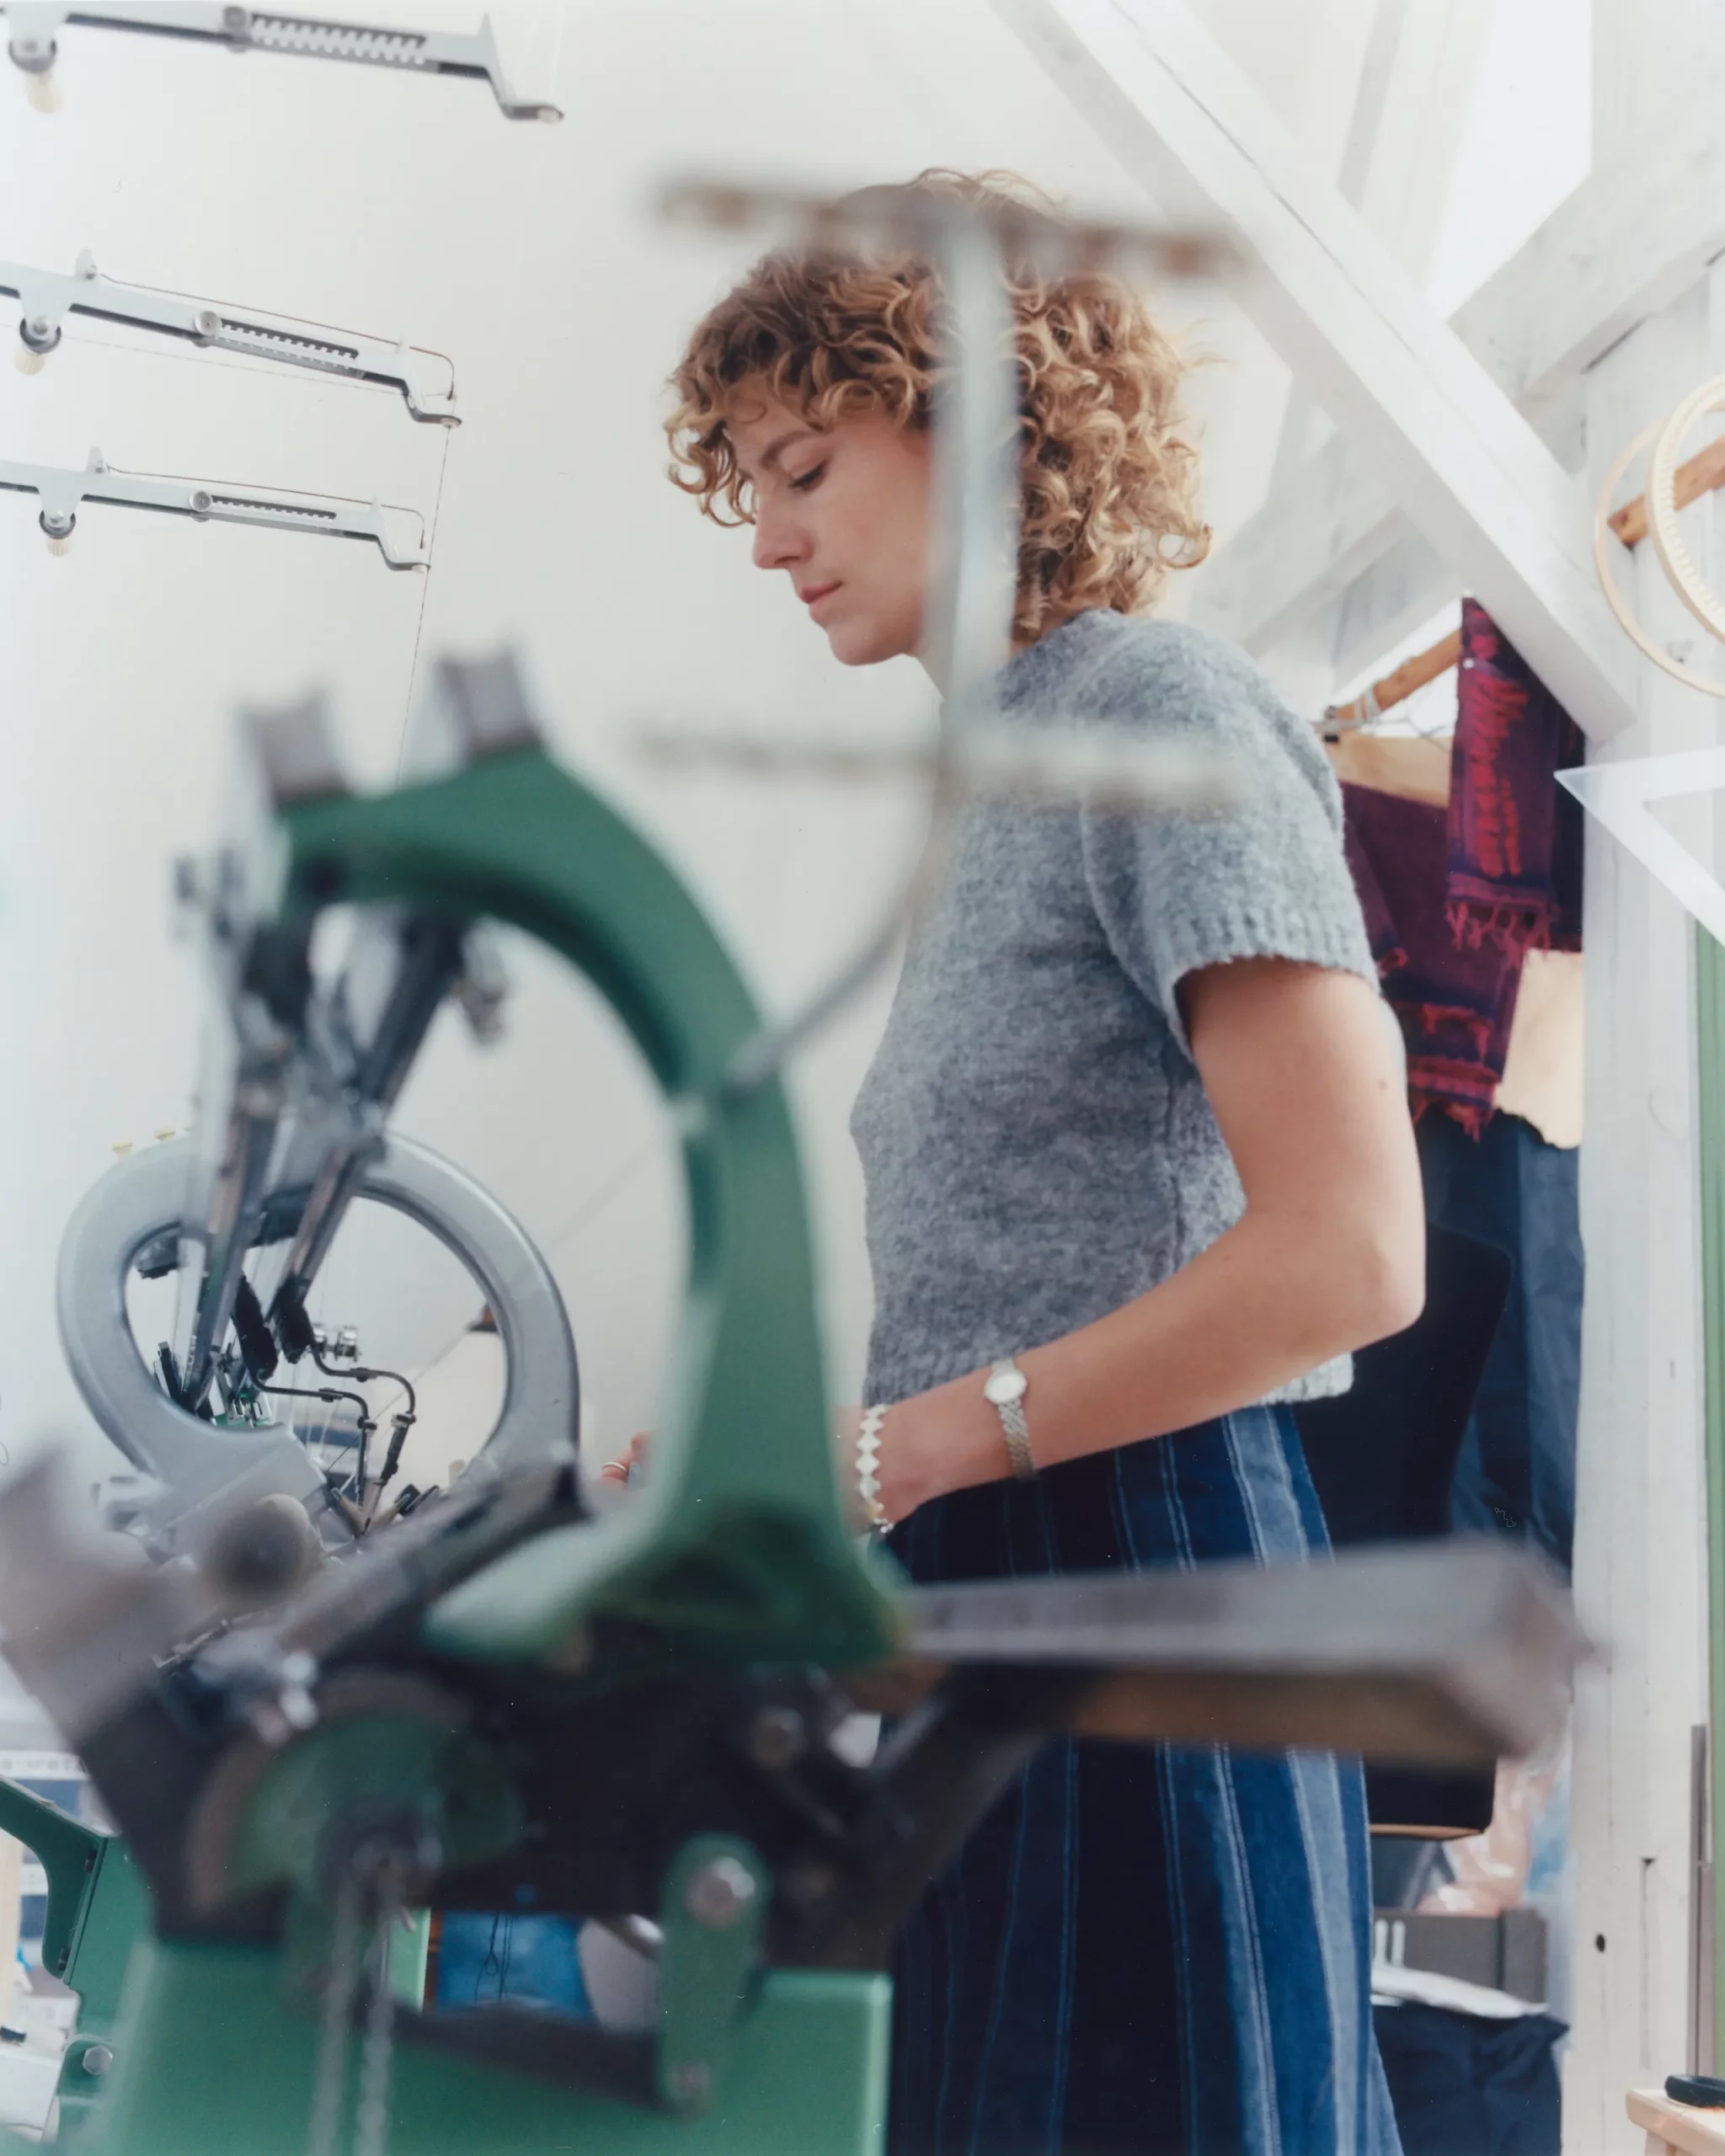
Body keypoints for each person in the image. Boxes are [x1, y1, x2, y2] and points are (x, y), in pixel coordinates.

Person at [647, 170, 1422, 2155]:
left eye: (801, 463)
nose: (761, 536)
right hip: (1003, 1604)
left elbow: (1350, 1249)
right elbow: (1036, 1276)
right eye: (741, 478)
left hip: (1147, 1593)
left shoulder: (1154, 714)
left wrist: (913, 1444)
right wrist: (803, 1458)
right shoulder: (999, 771)